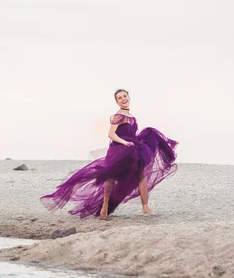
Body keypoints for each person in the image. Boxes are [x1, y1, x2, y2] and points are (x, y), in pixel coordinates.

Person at [40, 89, 178, 220]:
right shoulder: (118, 115)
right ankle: (105, 205)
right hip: (119, 149)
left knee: (141, 176)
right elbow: (111, 134)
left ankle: (145, 206)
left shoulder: (132, 117)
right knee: (111, 178)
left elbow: (130, 133)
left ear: (129, 97)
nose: (123, 99)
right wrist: (124, 143)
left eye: (125, 96)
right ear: (117, 102)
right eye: (120, 98)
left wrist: (135, 141)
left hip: (133, 149)